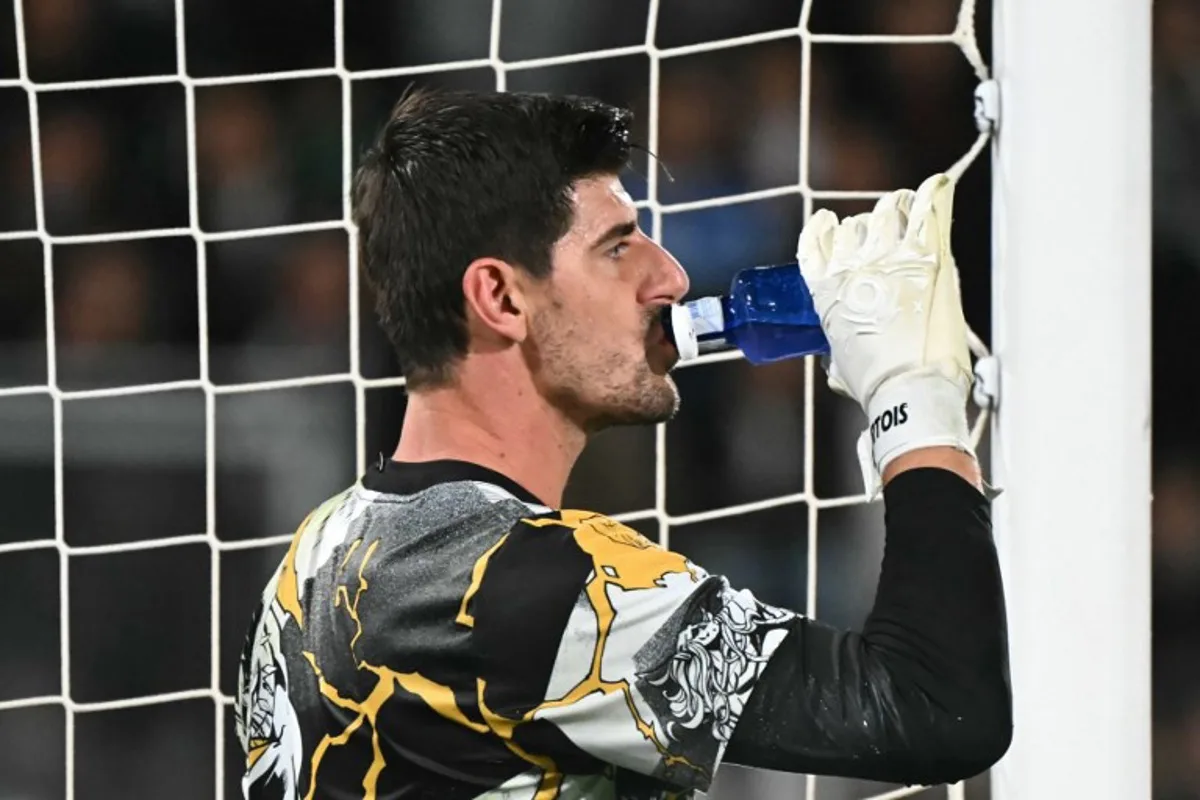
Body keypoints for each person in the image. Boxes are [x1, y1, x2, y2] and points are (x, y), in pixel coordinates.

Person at [234, 89, 1011, 800]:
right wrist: (913, 399)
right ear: (500, 297)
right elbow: (938, 707)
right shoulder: (544, 588)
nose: (670, 276)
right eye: (618, 245)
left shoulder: (303, 568)